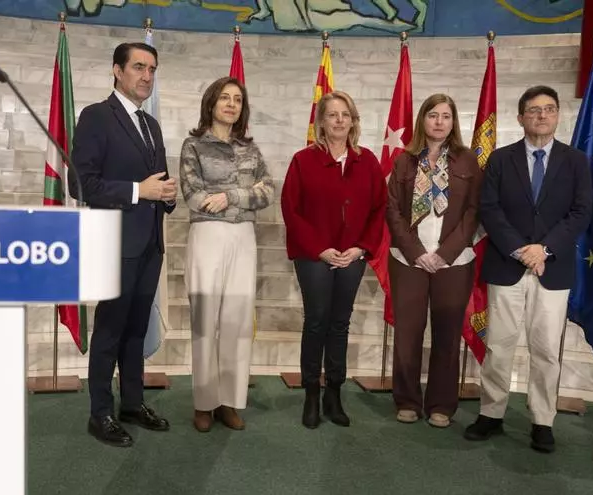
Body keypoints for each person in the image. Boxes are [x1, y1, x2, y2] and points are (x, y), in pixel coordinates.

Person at [463, 85, 592, 453]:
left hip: (552, 269)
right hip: (508, 263)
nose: (541, 116)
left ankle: (542, 420)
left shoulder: (576, 161)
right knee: (499, 345)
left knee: (547, 349)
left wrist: (544, 249)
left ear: (558, 116)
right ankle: (491, 413)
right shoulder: (500, 159)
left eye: (549, 109)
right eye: (534, 110)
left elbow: (581, 211)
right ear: (520, 117)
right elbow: (489, 209)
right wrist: (521, 250)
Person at [71, 42, 177, 448]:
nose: (147, 76)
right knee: (111, 330)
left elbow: (157, 181)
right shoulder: (97, 116)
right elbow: (81, 184)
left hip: (150, 242)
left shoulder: (151, 125)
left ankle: (133, 403)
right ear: (117, 70)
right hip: (115, 242)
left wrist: (166, 195)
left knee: (136, 329)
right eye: (138, 67)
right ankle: (100, 412)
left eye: (152, 69)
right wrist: (138, 190)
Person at [281, 91, 387, 429]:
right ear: (321, 122)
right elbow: (291, 209)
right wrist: (319, 249)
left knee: (340, 322)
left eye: (346, 115)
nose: (340, 120)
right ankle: (312, 393)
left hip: (353, 255)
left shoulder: (367, 161)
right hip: (314, 254)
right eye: (332, 115)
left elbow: (379, 209)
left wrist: (361, 248)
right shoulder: (303, 160)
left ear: (353, 121)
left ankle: (334, 393)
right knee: (316, 320)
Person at [179, 77, 274, 432]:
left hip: (243, 237)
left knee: (236, 321)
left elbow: (268, 192)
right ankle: (204, 403)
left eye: (237, 99)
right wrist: (240, 196)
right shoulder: (193, 146)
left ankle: (229, 402)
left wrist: (230, 197)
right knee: (205, 320)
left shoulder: (251, 149)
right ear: (211, 103)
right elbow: (193, 195)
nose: (231, 104)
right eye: (224, 98)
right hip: (207, 236)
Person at [385, 93, 482, 428]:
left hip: (453, 261)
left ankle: (441, 404)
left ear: (453, 122)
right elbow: (393, 211)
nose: (439, 122)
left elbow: (473, 212)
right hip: (407, 259)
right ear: (422, 119)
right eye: (433, 115)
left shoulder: (468, 161)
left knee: (447, 334)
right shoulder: (404, 161)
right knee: (408, 334)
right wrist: (416, 252)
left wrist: (444, 254)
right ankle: (407, 400)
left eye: (446, 116)